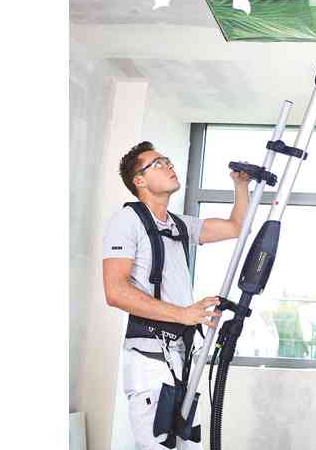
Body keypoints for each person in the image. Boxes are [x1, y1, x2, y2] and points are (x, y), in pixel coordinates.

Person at [102, 140, 249, 449]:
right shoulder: (127, 221)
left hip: (181, 357)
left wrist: (241, 186)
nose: (168, 165)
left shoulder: (180, 225)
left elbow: (237, 227)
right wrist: (183, 314)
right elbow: (115, 291)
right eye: (157, 163)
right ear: (139, 181)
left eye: (167, 160)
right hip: (149, 359)